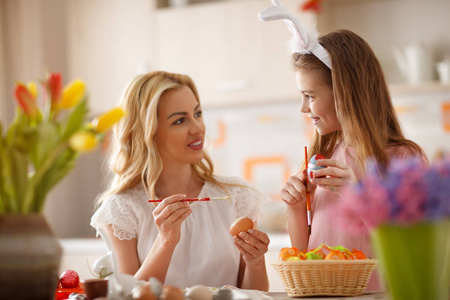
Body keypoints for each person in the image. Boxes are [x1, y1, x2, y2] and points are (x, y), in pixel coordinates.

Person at [258, 2, 427, 291]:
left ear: (346, 93)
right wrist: (296, 209)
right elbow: (302, 255)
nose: (303, 107)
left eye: (310, 95)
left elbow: (412, 253)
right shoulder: (321, 158)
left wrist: (359, 194)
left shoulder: (403, 160)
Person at [90, 71, 270, 291]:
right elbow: (129, 295)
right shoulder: (122, 209)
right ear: (149, 133)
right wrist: (166, 241)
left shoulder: (237, 196)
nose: (198, 128)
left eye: (197, 113)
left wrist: (255, 261)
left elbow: (255, 295)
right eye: (180, 120)